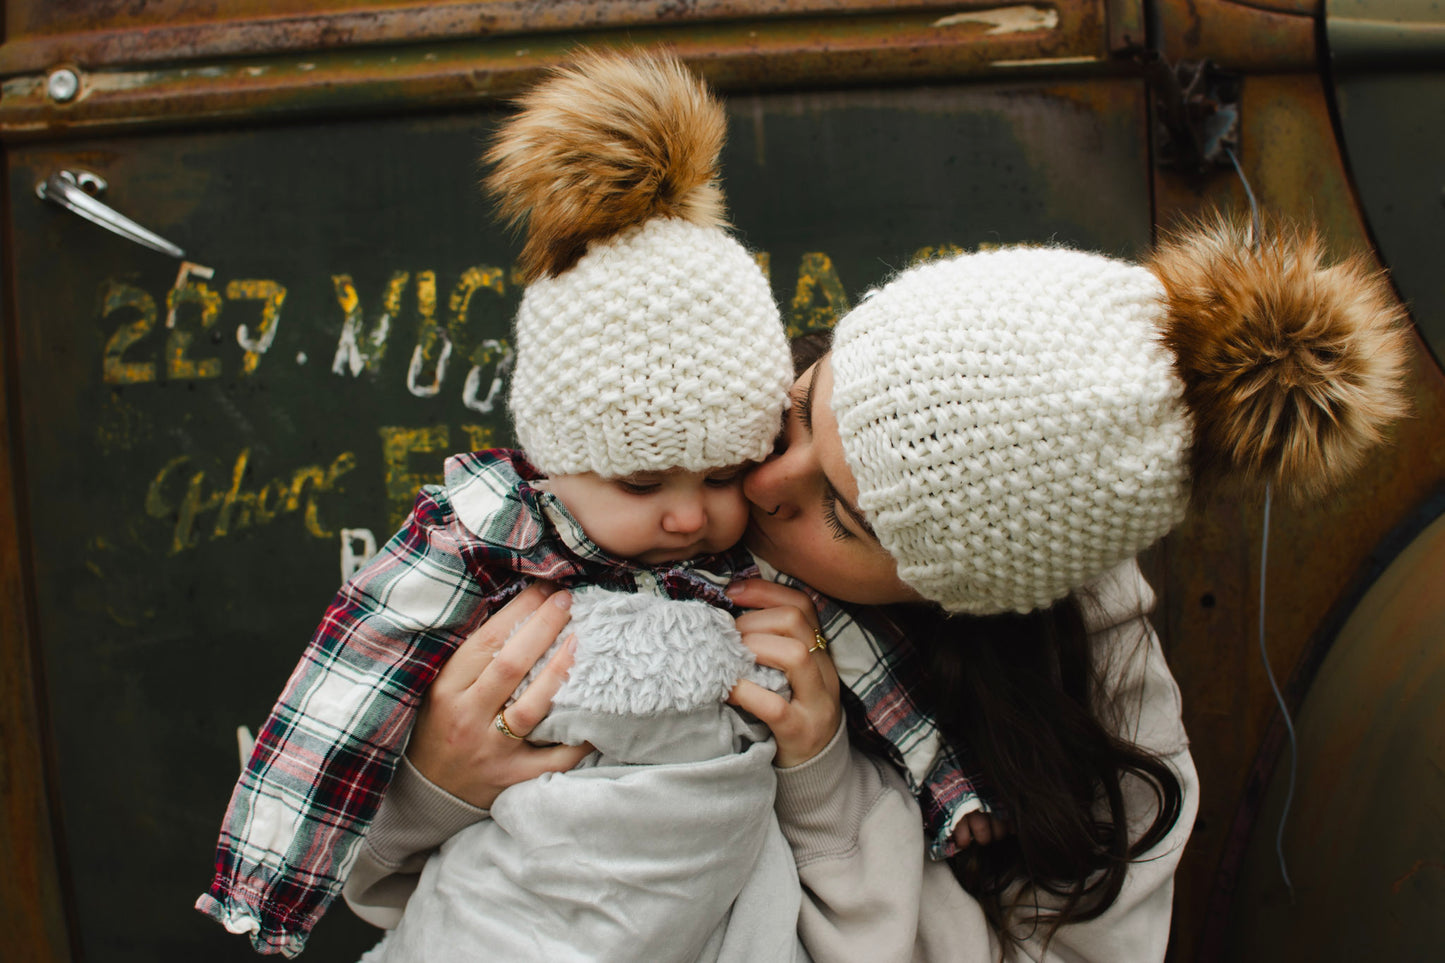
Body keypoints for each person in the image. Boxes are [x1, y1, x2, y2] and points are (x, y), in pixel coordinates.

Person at [354, 208, 1410, 959]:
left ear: (960, 597)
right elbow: (404, 890)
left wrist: (826, 790)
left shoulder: (1090, 695)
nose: (759, 484)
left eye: (843, 518)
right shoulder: (661, 471)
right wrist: (439, 776)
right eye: (803, 410)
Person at [196, 50, 805, 960]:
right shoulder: (490, 531)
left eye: (721, 477)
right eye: (641, 484)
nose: (689, 518)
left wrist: (941, 782)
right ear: (554, 458)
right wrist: (267, 881)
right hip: (514, 900)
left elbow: (856, 661)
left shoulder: (750, 547)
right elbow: (350, 684)